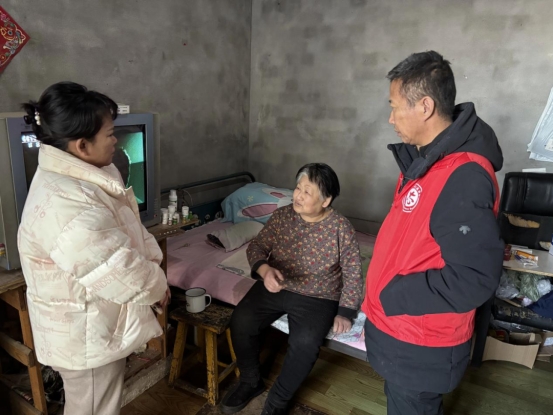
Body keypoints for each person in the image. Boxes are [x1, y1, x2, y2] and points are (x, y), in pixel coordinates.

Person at [361, 51, 505, 415]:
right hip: (402, 333)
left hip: (420, 341)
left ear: (425, 106)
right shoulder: (427, 162)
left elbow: (473, 278)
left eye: (394, 107)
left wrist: (394, 295)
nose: (390, 118)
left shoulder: (463, 176)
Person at [17, 82, 170, 415]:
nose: (116, 140)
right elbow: (119, 269)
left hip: (94, 322)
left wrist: (152, 270)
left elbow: (129, 227)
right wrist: (157, 286)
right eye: (111, 134)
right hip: (83, 334)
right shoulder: (69, 204)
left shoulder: (92, 172)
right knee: (93, 407)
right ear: (82, 145)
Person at [220, 163, 363, 415]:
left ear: (326, 200)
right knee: (241, 320)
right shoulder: (282, 216)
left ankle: (278, 400)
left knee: (305, 342)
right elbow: (257, 247)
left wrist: (346, 311)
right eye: (298, 188)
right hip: (278, 283)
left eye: (307, 191)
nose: (298, 195)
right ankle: (250, 381)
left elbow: (353, 271)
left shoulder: (341, 228)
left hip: (318, 296)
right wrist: (265, 271)